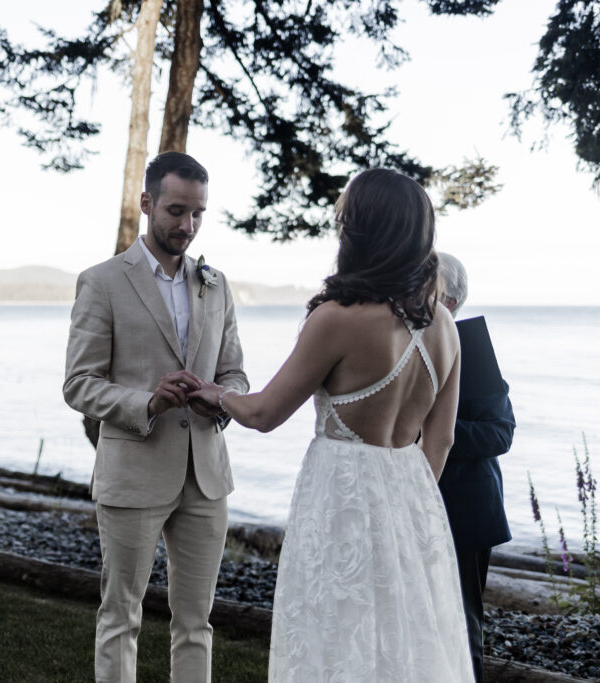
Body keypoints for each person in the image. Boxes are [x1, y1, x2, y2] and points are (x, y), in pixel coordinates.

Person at [191, 168, 473, 682]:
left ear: (362, 231)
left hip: (341, 498)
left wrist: (216, 393)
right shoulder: (445, 325)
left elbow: (263, 413)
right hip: (412, 498)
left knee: (334, 632)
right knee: (405, 638)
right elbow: (443, 437)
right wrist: (406, 507)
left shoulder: (338, 318)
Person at [63, 151, 248, 682]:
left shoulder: (217, 284)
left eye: (197, 214)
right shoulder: (101, 282)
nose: (186, 226)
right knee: (121, 616)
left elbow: (235, 373)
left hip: (207, 477)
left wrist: (221, 396)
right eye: (175, 211)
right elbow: (79, 384)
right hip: (134, 473)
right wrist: (147, 401)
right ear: (146, 204)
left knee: (197, 623)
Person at [437, 252, 515, 683]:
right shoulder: (406, 343)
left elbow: (500, 433)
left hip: (465, 508)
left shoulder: (473, 346)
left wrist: (432, 431)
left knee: (463, 623)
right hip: (416, 499)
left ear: (447, 300)